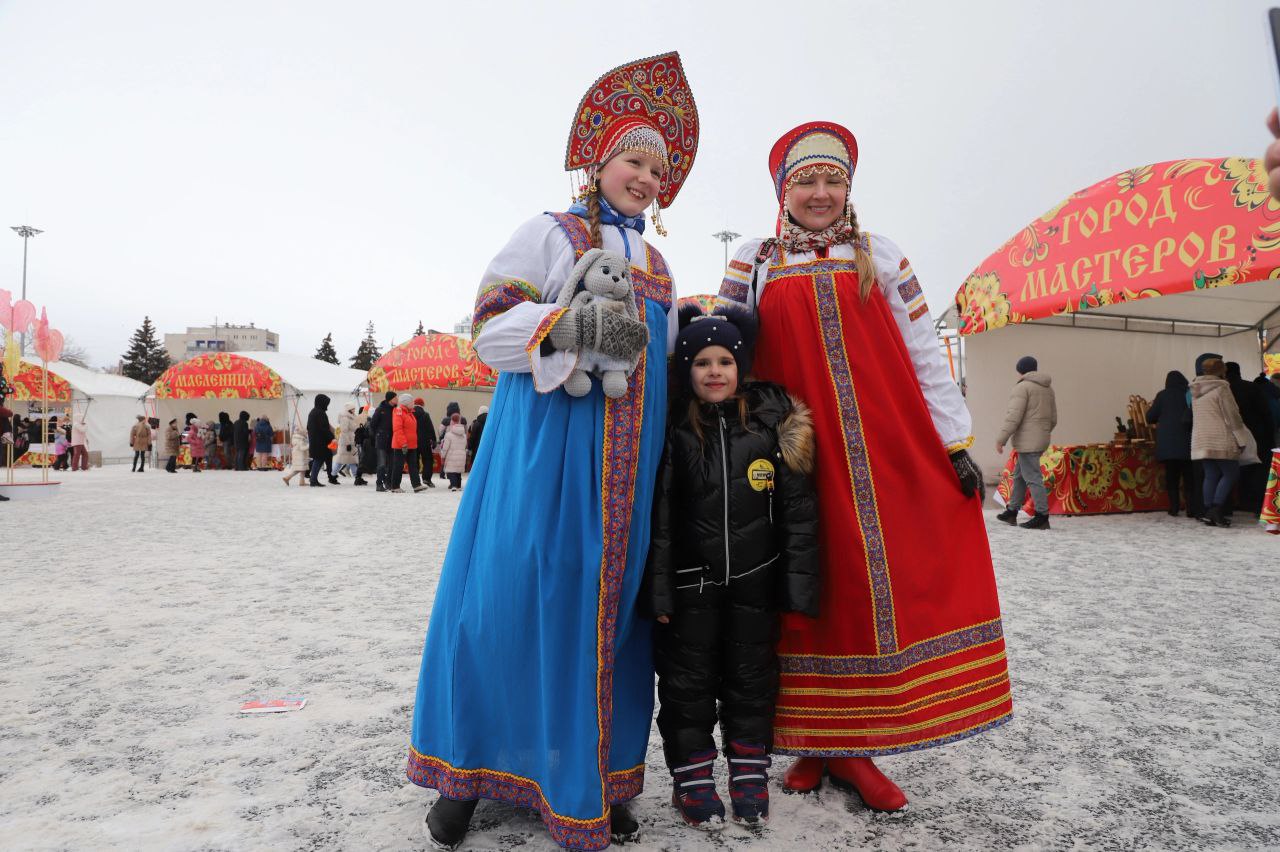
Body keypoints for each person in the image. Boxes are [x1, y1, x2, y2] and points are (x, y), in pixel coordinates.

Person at [407, 51, 693, 851]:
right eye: (633, 160)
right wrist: (564, 326)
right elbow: (486, 332)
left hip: (627, 477)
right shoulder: (548, 232)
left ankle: (595, 777)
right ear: (598, 161)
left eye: (656, 169)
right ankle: (466, 770)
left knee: (608, 617)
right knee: (505, 602)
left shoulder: (661, 264)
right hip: (542, 457)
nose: (644, 177)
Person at [717, 121, 1010, 811]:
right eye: (806, 182)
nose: (820, 193)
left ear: (849, 188)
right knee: (802, 587)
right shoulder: (755, 261)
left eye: (832, 181)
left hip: (882, 451)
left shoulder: (881, 254)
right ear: (783, 194)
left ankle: (857, 747)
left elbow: (923, 351)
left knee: (873, 585)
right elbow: (723, 356)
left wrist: (954, 442)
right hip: (791, 457)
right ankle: (817, 743)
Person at [644, 306, 818, 828]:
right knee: (686, 687)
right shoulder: (673, 429)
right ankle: (693, 780)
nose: (714, 371)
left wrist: (797, 586)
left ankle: (748, 774)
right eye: (701, 362)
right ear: (686, 370)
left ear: (742, 366)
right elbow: (659, 521)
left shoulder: (769, 426)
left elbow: (799, 514)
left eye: (724, 360)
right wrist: (658, 594)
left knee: (752, 684)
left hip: (754, 587)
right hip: (688, 588)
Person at [994, 355, 1057, 529]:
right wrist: (1041, 433)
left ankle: (1042, 516)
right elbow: (1053, 419)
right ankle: (1012, 511)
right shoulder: (1048, 389)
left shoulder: (1022, 388)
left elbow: (1013, 417)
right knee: (1020, 475)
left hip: (1028, 441)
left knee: (1033, 478)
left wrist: (1001, 439)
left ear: (1020, 370)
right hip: (1039, 438)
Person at [1192, 358, 1250, 527]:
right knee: (1232, 474)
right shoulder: (1222, 387)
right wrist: (1241, 437)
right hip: (1221, 436)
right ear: (1221, 371)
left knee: (1211, 474)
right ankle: (1216, 510)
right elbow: (1232, 414)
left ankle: (1208, 510)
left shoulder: (1195, 389)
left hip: (1202, 437)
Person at [1146, 370, 1197, 517]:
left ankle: (1174, 508)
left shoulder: (1162, 395)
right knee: (1189, 477)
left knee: (1171, 476)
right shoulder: (1189, 394)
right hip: (1188, 443)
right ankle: (1191, 509)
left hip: (1168, 445)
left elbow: (1150, 417)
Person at [1225, 361, 1274, 515]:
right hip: (1257, 435)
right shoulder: (1252, 388)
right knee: (1258, 470)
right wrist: (1269, 434)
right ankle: (1258, 505)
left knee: (1234, 470)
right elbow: (1266, 413)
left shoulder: (1224, 390)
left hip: (1231, 435)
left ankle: (1239, 501)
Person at [388, 393, 426, 493]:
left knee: (413, 465)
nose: (413, 404)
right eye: (412, 402)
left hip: (411, 445)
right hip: (401, 445)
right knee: (399, 465)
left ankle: (416, 485)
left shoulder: (409, 413)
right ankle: (395, 486)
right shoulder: (399, 411)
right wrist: (403, 443)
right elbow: (397, 429)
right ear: (406, 403)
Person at [368, 391, 396, 492]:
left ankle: (388, 483)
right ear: (390, 399)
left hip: (393, 440)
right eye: (395, 398)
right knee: (382, 463)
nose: (397, 399)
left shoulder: (396, 410)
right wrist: (378, 435)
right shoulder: (380, 410)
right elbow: (372, 424)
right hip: (382, 440)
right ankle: (379, 484)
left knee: (392, 463)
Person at [306, 395, 337, 487]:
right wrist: (332, 437)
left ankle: (316, 479)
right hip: (320, 442)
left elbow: (308, 427)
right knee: (318, 460)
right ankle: (313, 480)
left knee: (321, 459)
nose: (327, 405)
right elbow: (324, 428)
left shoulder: (313, 412)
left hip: (315, 440)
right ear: (322, 403)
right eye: (326, 403)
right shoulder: (320, 413)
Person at [436, 412, 467, 492]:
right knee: (458, 472)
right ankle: (458, 485)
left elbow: (445, 448)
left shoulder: (448, 435)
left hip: (451, 456)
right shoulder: (464, 435)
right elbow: (465, 445)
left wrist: (443, 456)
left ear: (451, 421)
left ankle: (453, 485)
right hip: (461, 455)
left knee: (451, 472)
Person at [412, 398, 436, 487]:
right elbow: (430, 428)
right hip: (424, 441)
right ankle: (426, 478)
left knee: (414, 460)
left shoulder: (410, 414)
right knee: (428, 460)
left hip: (413, 441)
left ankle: (415, 479)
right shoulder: (425, 415)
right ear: (422, 405)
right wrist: (433, 440)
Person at [335, 403, 359, 478]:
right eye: (353, 409)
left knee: (352, 460)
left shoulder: (352, 417)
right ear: (349, 409)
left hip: (351, 440)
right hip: (346, 441)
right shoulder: (345, 418)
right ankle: (333, 474)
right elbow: (344, 431)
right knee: (341, 460)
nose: (354, 410)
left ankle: (356, 476)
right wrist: (348, 443)